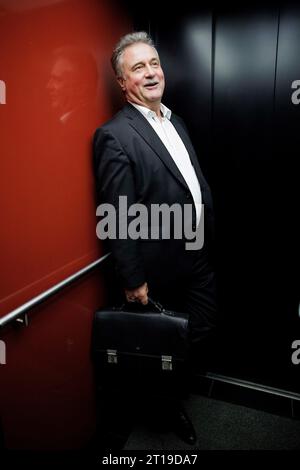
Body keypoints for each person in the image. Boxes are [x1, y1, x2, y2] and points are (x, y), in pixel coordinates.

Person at [93, 31, 217, 446]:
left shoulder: (175, 120)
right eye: (138, 67)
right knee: (160, 349)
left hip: (196, 255)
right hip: (156, 269)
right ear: (123, 82)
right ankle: (165, 409)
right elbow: (119, 213)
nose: (151, 73)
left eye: (155, 63)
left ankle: (170, 395)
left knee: (197, 330)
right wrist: (133, 279)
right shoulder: (115, 134)